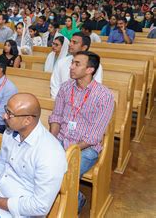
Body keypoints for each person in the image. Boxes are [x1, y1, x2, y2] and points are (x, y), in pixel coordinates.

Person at [49, 51, 114, 212]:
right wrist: (51, 142)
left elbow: (93, 136)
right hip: (62, 139)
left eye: (77, 64)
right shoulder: (65, 88)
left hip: (86, 148)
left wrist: (69, 152)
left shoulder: (104, 96)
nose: (71, 67)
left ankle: (72, 206)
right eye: (72, 62)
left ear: (89, 70)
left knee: (63, 174)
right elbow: (56, 117)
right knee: (39, 164)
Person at [50, 32, 103, 99]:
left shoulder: (93, 64)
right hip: (61, 101)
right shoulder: (61, 62)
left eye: (74, 42)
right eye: (70, 41)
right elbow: (55, 84)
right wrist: (58, 101)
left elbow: (95, 88)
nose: (70, 44)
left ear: (84, 47)